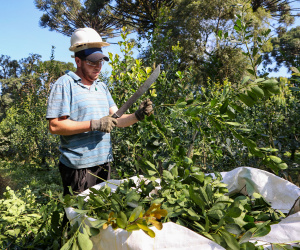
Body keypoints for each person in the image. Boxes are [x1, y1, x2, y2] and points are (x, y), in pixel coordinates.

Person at [46, 27, 153, 197]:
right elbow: (55, 126)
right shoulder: (65, 84)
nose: (98, 67)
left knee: (99, 217)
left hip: (103, 163)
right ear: (78, 61)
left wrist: (137, 116)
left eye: (100, 62)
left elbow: (117, 119)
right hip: (78, 167)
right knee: (77, 217)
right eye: (92, 62)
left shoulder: (101, 87)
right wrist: (94, 124)